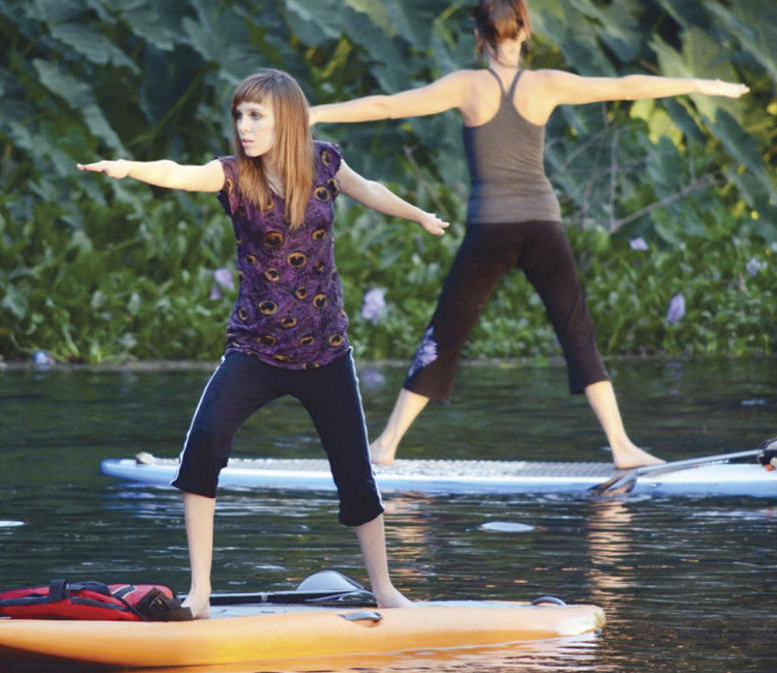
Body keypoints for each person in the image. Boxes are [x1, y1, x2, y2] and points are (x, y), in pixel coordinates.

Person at [310, 0, 748, 470]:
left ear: (479, 37)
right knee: (576, 331)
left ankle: (387, 445)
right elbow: (626, 85)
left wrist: (312, 112)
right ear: (525, 33)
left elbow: (387, 106)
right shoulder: (546, 84)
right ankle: (621, 445)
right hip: (543, 225)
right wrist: (705, 84)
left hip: (490, 230)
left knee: (447, 333)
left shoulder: (467, 85)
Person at [79, 69, 448, 619]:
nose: (244, 127)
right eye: (239, 115)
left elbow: (368, 190)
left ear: (287, 120)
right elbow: (179, 173)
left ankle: (385, 588)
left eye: (256, 116)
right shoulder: (232, 176)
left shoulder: (324, 162)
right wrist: (129, 168)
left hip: (326, 350)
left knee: (355, 471)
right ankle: (199, 594)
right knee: (202, 446)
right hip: (255, 350)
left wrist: (419, 216)